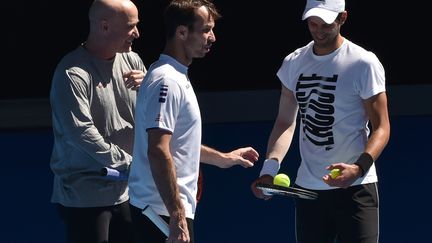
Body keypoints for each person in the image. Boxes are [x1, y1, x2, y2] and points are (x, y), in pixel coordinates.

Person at [251, 0, 391, 243]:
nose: (318, 29)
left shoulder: (364, 63)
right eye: (312, 23)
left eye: (326, 23)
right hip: (308, 191)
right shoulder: (293, 63)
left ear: (342, 18)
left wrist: (358, 168)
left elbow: (382, 127)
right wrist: (268, 170)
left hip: (356, 188)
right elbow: (285, 121)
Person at [127, 0, 259, 242]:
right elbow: (158, 149)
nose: (212, 37)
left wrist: (225, 158)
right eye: (206, 30)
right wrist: (177, 215)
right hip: (162, 215)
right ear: (181, 32)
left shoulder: (174, 75)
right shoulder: (167, 80)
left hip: (165, 212)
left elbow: (178, 144)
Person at [49, 0, 146, 242]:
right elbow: (82, 134)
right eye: (130, 26)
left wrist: (150, 89)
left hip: (127, 193)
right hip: (86, 197)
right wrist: (130, 163)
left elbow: (152, 117)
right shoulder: (72, 73)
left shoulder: (132, 60)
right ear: (104, 27)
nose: (137, 33)